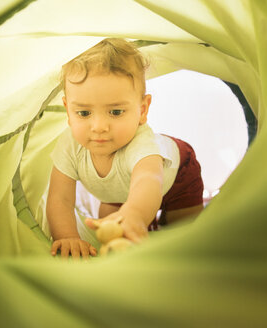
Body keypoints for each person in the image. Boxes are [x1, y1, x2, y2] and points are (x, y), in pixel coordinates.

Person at [46, 38, 204, 259]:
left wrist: (136, 214)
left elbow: (148, 181)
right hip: (118, 191)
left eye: (116, 112)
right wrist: (68, 236)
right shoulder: (69, 145)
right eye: (83, 113)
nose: (99, 127)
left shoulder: (142, 145)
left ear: (142, 110)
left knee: (182, 234)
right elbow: (59, 199)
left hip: (178, 176)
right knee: (110, 229)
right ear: (68, 112)